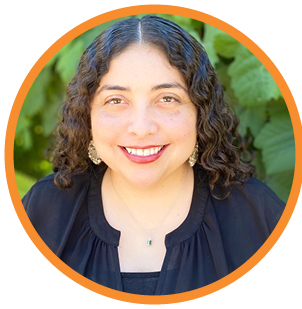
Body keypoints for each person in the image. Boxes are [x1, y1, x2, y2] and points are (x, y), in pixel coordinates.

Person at [22, 15, 285, 295]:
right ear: (88, 115)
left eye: (167, 99)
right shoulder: (40, 213)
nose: (142, 128)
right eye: (116, 100)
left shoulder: (260, 217)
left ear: (201, 111)